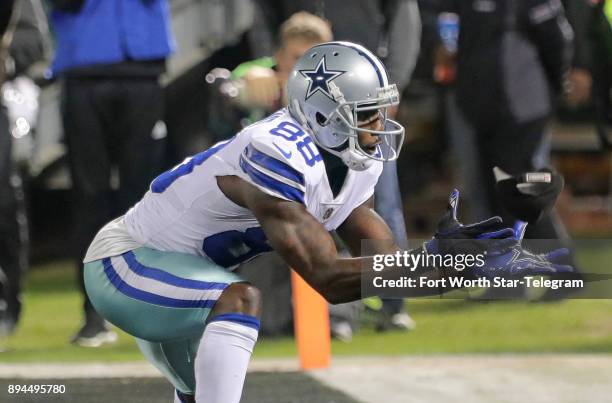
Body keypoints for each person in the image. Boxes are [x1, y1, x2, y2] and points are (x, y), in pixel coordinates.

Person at [82, 42, 570, 403]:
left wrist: (455, 262)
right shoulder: (274, 151)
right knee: (240, 298)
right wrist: (436, 263)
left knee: (198, 390)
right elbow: (329, 280)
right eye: (369, 113)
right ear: (323, 115)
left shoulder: (356, 161)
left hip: (182, 281)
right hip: (125, 264)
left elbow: (383, 265)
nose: (383, 124)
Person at [48, 0, 174, 346]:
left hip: (143, 72)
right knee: (90, 198)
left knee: (146, 198)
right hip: (84, 72)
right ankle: (94, 313)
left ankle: (150, 306)